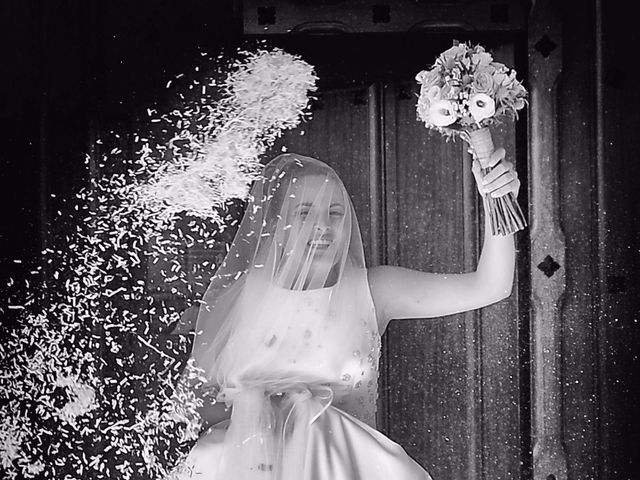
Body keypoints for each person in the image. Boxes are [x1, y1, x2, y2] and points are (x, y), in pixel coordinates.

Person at [173, 149, 519, 479]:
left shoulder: (375, 291)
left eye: (334, 213)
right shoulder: (237, 299)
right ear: (277, 225)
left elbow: (491, 286)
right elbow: (191, 411)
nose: (323, 227)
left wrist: (498, 197)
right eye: (305, 213)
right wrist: (257, 407)